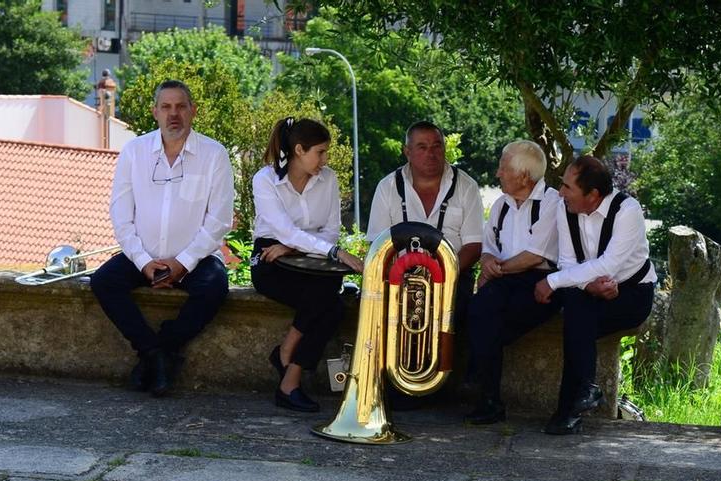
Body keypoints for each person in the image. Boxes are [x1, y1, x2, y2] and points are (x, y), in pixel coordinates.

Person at [91, 80, 234, 396]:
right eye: (166, 107)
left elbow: (220, 219)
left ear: (193, 111)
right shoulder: (135, 152)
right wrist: (143, 261)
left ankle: (160, 351)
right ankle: (153, 353)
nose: (174, 114)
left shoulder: (214, 155)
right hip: (143, 256)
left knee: (214, 288)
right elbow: (121, 215)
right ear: (155, 112)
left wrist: (182, 263)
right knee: (103, 281)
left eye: (181, 106)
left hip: (194, 260)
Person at [533, 155, 656, 435]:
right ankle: (586, 390)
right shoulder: (565, 209)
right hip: (587, 292)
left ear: (593, 195)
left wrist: (551, 281)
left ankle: (569, 408)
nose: (561, 193)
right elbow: (567, 261)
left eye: (567, 187)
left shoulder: (627, 210)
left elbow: (609, 265)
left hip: (632, 293)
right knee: (578, 311)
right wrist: (588, 286)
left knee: (577, 321)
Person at [251, 116, 351, 413]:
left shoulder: (328, 178)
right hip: (270, 257)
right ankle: (290, 378)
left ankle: (287, 360)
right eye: (319, 152)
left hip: (308, 256)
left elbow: (331, 231)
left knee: (329, 295)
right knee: (330, 305)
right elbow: (282, 232)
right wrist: (327, 251)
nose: (325, 159)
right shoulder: (265, 180)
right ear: (298, 150)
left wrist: (292, 246)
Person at [465, 140, 562, 424]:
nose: (497, 174)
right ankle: (487, 397)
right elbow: (488, 248)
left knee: (489, 320)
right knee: (478, 309)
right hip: (505, 278)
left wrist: (495, 269)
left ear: (523, 176)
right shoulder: (501, 204)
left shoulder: (552, 203)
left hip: (541, 281)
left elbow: (534, 256)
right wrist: (487, 265)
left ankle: (483, 388)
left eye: (503, 168)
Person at [366, 121, 483, 275]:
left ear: (444, 148)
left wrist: (444, 275)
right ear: (407, 152)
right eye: (422, 147)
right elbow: (378, 245)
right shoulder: (387, 187)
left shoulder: (467, 187)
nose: (431, 154)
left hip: (453, 278)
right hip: (400, 281)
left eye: (436, 146)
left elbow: (474, 246)